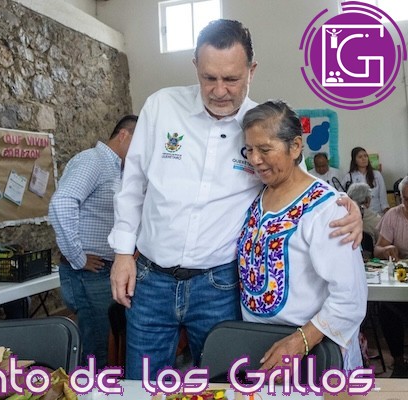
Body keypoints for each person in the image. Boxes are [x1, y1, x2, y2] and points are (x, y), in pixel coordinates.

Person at [108, 19, 363, 380]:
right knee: (141, 383)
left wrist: (345, 204)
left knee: (224, 385)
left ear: (251, 71)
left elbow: (298, 182)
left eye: (231, 79)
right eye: (209, 77)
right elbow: (132, 182)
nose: (219, 91)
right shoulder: (161, 107)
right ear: (195, 66)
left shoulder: (262, 125)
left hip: (219, 286)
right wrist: (122, 253)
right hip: (151, 279)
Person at [239, 100, 367, 371]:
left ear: (295, 146)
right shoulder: (257, 194)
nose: (255, 159)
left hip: (312, 351)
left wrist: (301, 341)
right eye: (249, 149)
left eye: (265, 149)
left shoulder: (327, 210)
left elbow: (350, 297)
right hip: (257, 345)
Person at [49, 115, 138, 369]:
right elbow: (62, 203)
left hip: (105, 270)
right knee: (98, 346)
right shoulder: (93, 160)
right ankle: (93, 388)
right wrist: (78, 258)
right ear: (123, 135)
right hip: (88, 273)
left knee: (108, 342)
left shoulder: (119, 170)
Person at [373, 175, 408, 377]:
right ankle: (398, 360)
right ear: (400, 197)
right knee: (387, 310)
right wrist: (387, 249)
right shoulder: (393, 215)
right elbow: (377, 249)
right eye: (406, 199)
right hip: (399, 279)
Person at [341, 147, 389, 215]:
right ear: (355, 160)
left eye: (365, 156)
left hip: (376, 213)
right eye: (360, 157)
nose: (364, 159)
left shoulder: (377, 174)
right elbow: (341, 195)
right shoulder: (349, 177)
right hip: (358, 214)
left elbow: (383, 196)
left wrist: (386, 211)